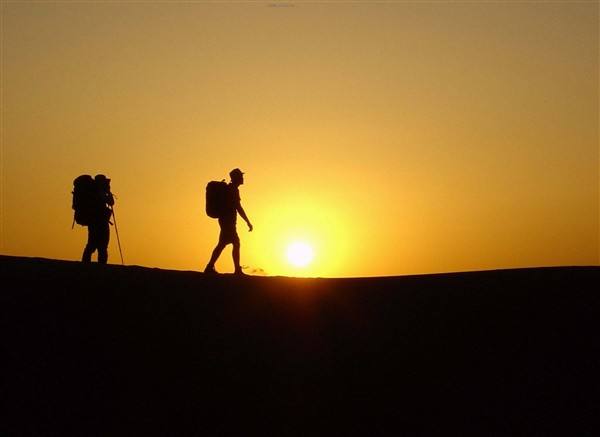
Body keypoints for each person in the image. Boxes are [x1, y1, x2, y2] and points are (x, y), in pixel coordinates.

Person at [204, 168, 253, 275]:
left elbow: (236, 207)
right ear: (236, 178)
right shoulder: (233, 190)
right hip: (228, 221)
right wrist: (247, 221)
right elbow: (238, 207)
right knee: (235, 243)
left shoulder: (231, 189)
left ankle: (210, 266)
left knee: (222, 244)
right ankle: (237, 270)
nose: (242, 178)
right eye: (241, 176)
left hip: (226, 220)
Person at [82, 174, 114, 264]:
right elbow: (111, 202)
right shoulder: (98, 192)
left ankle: (85, 264)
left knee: (92, 245)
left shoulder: (94, 192)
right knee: (100, 246)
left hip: (94, 222)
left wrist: (108, 191)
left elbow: (111, 202)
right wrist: (108, 192)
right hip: (100, 222)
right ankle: (100, 266)